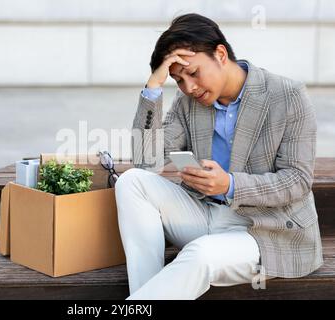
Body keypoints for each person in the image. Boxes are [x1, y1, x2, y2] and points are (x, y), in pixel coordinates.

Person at [114, 13, 323, 300]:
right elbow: (146, 163)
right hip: (204, 215)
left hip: (266, 231)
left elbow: (297, 181)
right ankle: (144, 296)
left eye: (194, 73)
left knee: (201, 255)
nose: (189, 87)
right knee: (132, 181)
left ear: (220, 54)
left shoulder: (287, 96)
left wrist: (230, 185)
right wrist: (153, 88)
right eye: (178, 80)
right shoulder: (188, 102)